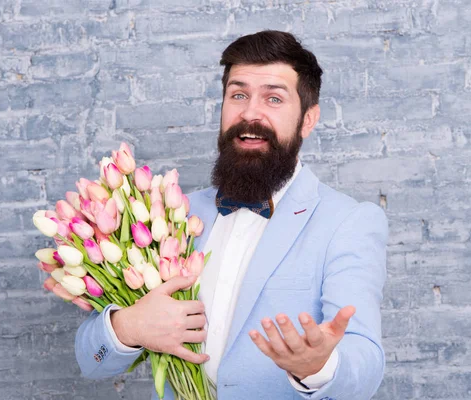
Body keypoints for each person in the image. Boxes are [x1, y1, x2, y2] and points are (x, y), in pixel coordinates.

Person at [74, 30, 388, 400]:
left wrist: (319, 366)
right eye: (238, 95)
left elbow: (366, 367)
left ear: (308, 119)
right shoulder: (172, 213)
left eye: (273, 98)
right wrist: (128, 327)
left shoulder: (347, 222)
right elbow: (90, 361)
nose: (250, 113)